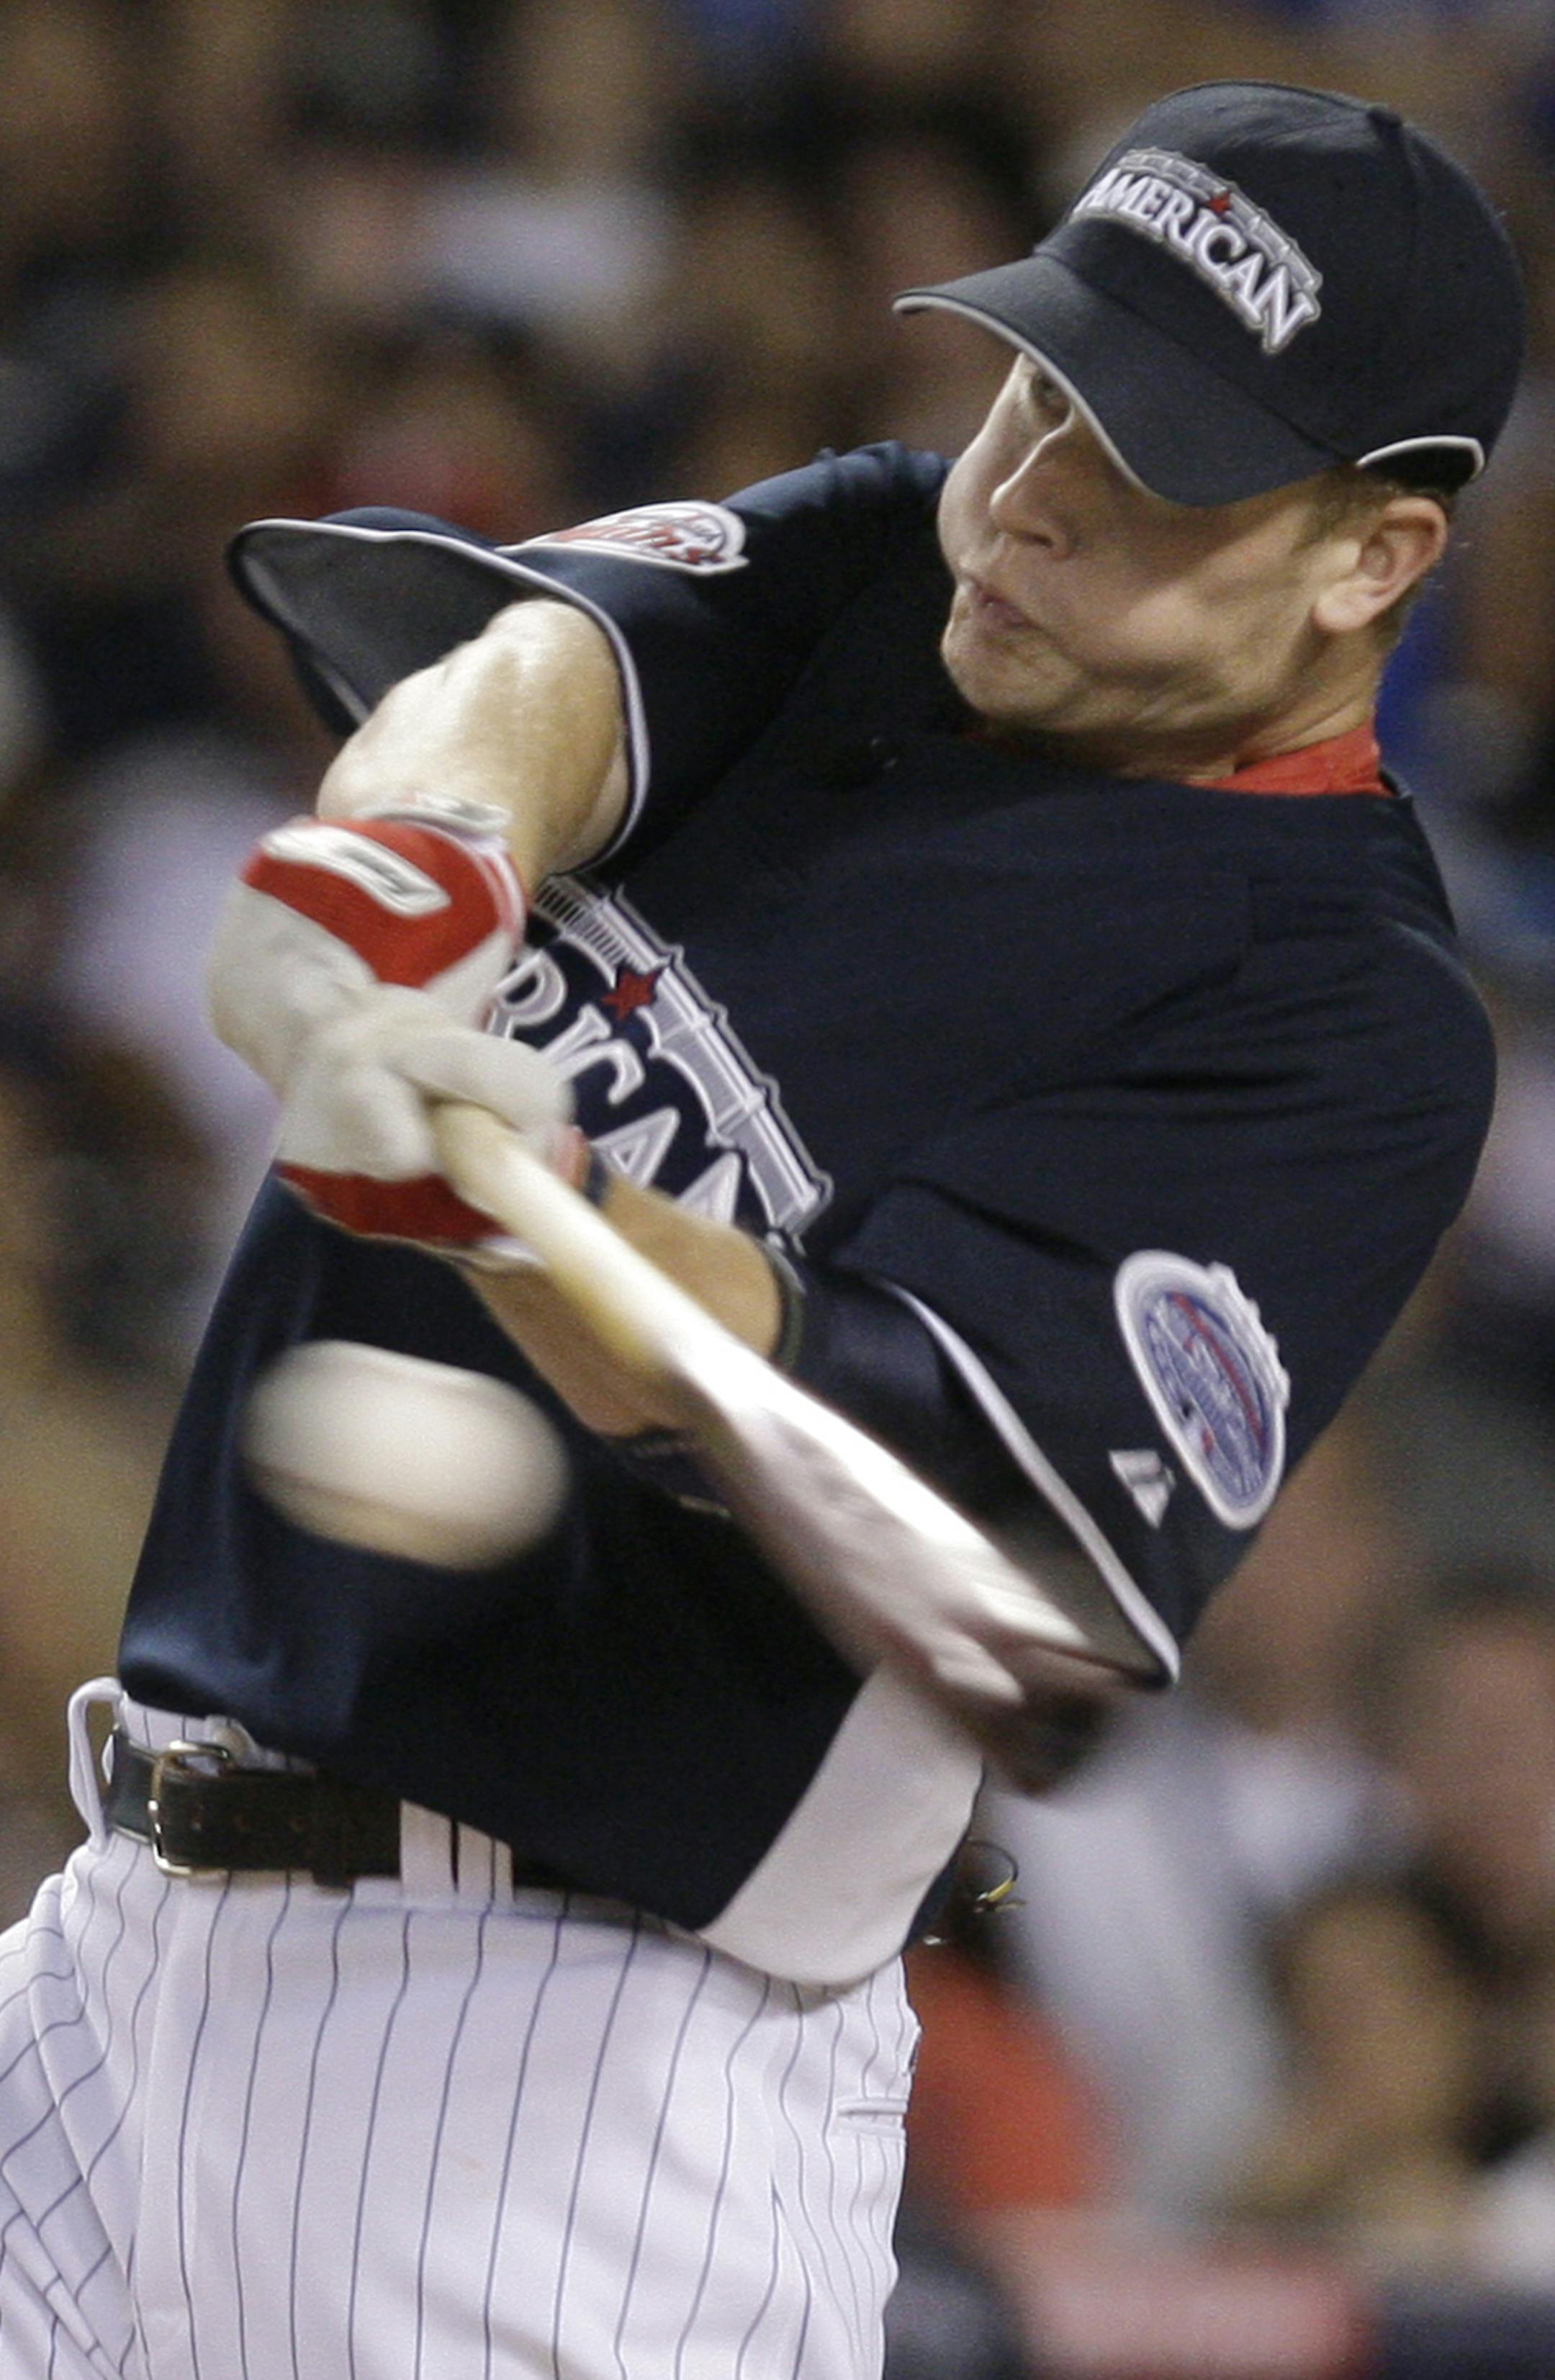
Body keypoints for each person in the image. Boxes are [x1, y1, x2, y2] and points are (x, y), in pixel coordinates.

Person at [0, 78, 1525, 2380]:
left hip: (553, 2100)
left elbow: (912, 1476)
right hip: (123, 1933)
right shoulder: (895, 570)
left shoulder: (1344, 1016)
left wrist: (543, 1211)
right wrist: (419, 866)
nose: (1026, 495)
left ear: (1371, 559)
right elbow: (539, 674)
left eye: (1151, 460)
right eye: (1041, 384)